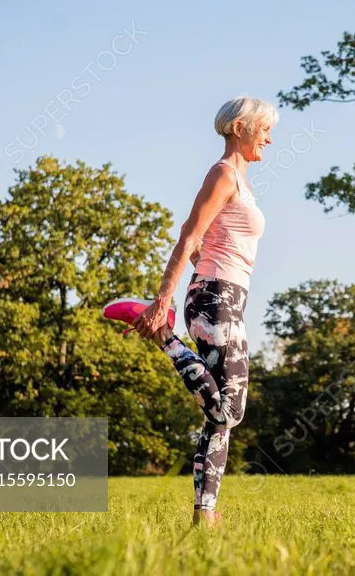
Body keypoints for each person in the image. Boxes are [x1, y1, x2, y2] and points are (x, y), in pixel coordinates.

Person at [131, 95, 276, 528]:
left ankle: (205, 515)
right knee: (226, 412)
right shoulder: (223, 173)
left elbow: (208, 245)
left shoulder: (242, 183)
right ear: (239, 127)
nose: (269, 137)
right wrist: (164, 298)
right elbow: (190, 235)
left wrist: (202, 274)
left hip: (227, 296)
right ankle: (165, 338)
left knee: (225, 418)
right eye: (263, 128)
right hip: (215, 297)